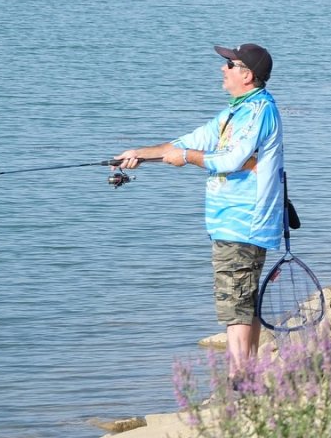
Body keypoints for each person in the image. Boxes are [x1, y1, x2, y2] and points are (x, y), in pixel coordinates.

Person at [116, 44, 284, 376]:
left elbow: (231, 160)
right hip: (232, 222)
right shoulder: (234, 112)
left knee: (234, 306)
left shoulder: (259, 111)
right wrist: (140, 154)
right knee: (241, 302)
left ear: (247, 75)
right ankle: (246, 379)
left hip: (244, 221)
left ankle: (239, 381)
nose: (223, 68)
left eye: (230, 64)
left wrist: (189, 158)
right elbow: (185, 143)